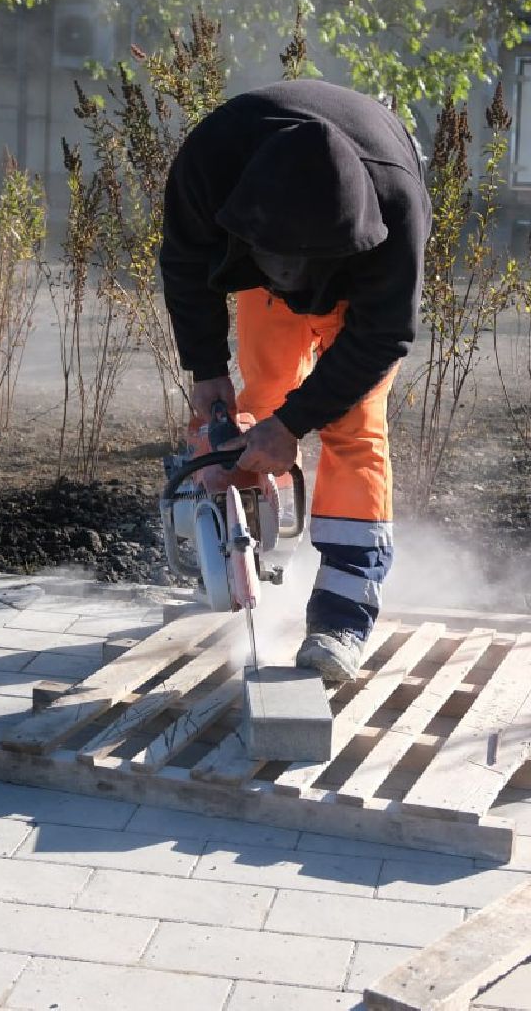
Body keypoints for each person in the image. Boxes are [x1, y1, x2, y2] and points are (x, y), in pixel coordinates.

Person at [159, 78, 428, 683]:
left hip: (359, 277)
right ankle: (249, 543)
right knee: (266, 395)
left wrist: (296, 424)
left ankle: (342, 613)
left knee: (353, 425)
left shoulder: (396, 204)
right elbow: (182, 260)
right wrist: (206, 369)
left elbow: (383, 336)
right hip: (257, 238)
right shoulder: (212, 162)